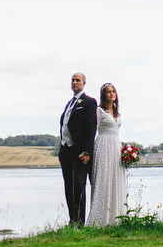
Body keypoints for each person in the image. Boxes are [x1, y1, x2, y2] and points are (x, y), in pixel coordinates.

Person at [58, 72, 98, 227]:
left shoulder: (89, 102)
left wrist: (87, 151)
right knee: (68, 187)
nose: (74, 82)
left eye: (77, 80)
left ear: (84, 83)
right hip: (65, 152)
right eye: (72, 80)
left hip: (80, 153)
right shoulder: (69, 104)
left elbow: (91, 128)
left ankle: (79, 224)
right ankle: (72, 221)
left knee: (78, 187)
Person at [87, 82, 127, 226]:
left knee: (116, 179)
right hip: (103, 145)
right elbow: (93, 129)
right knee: (104, 180)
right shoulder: (99, 111)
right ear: (104, 95)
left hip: (116, 146)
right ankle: (99, 220)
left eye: (113, 91)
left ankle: (117, 218)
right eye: (108, 92)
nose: (111, 94)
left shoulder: (116, 112)